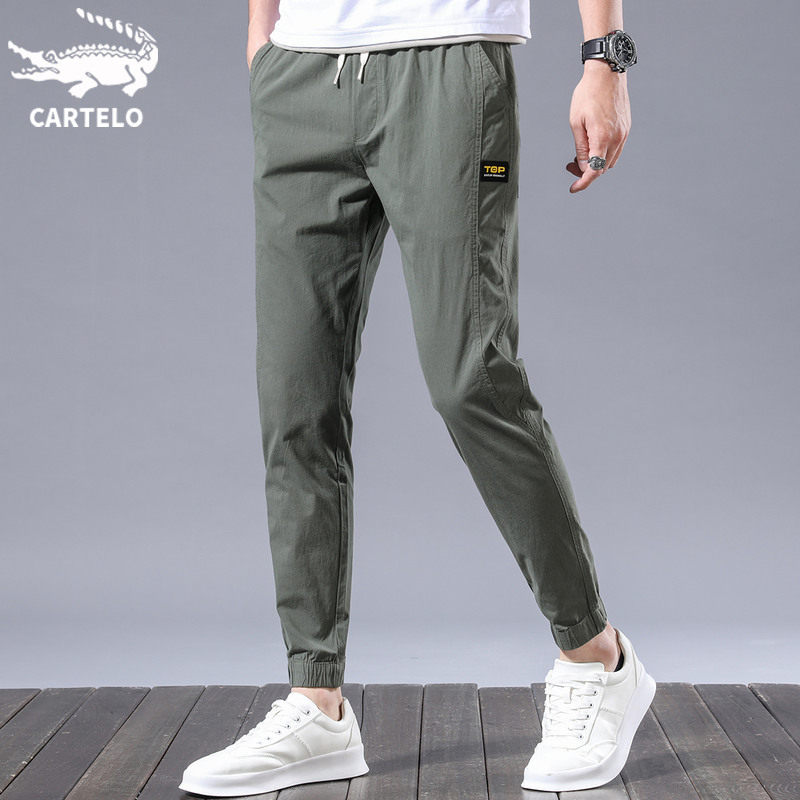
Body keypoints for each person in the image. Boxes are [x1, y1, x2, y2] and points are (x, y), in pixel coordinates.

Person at [180, 0, 655, 795]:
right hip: (300, 75)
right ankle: (317, 700)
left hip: (449, 65)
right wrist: (262, 38)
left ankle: (595, 656)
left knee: (472, 377)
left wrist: (604, 59)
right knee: (295, 401)